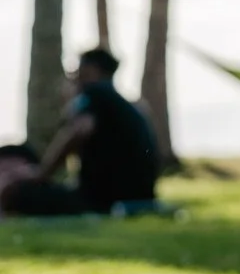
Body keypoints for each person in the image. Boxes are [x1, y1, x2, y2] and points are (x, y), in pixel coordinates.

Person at [1, 49, 161, 218]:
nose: (75, 76)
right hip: (136, 197)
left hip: (102, 199)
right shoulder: (122, 103)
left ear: (92, 69)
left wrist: (43, 174)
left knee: (18, 193)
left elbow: (79, 130)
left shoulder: (93, 94)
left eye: (79, 69)